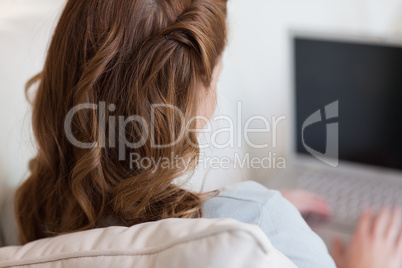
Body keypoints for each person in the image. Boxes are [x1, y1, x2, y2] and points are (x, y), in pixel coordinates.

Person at [1, 0, 401, 267]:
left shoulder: (26, 219)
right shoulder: (257, 224)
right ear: (195, 103)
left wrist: (253, 214)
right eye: (217, 73)